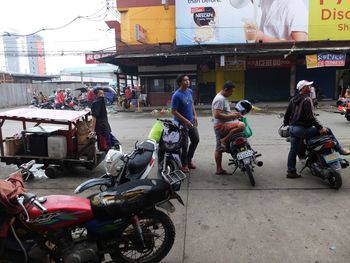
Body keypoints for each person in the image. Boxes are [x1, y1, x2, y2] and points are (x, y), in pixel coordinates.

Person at [283, 80, 350, 179]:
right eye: (308, 86)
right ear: (303, 88)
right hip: (302, 129)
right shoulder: (307, 99)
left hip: (292, 129)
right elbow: (311, 118)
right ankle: (339, 149)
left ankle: (291, 171)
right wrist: (320, 127)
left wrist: (286, 124)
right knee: (328, 130)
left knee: (293, 150)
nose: (310, 87)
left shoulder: (293, 100)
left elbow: (287, 114)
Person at [212, 81, 245, 175]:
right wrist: (232, 116)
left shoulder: (223, 98)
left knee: (219, 148)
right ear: (226, 90)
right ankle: (225, 140)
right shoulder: (219, 99)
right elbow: (217, 115)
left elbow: (225, 112)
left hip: (225, 123)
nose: (232, 93)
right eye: (231, 92)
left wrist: (234, 114)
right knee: (241, 125)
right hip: (220, 125)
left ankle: (227, 143)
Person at [171, 74, 199, 173]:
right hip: (181, 124)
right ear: (180, 83)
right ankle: (184, 164)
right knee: (184, 144)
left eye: (188, 80)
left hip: (190, 121)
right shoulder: (176, 95)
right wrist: (185, 121)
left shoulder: (189, 91)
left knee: (195, 139)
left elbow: (191, 104)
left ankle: (189, 159)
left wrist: (195, 115)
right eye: (185, 80)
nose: (187, 82)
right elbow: (173, 111)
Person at [90, 87, 120, 152]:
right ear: (96, 94)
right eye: (100, 93)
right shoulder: (101, 101)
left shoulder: (98, 102)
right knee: (108, 136)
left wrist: (92, 130)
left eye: (103, 93)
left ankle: (111, 149)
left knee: (108, 139)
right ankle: (116, 144)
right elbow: (95, 116)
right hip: (103, 124)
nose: (102, 95)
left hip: (101, 124)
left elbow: (94, 117)